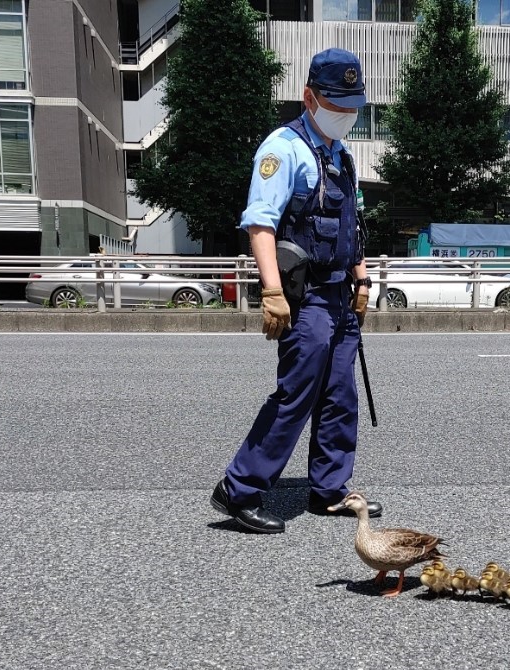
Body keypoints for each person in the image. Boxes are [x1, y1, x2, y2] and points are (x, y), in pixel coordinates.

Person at [209, 48, 383, 534]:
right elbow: (260, 225)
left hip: (340, 295)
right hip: (303, 298)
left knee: (339, 395)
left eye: (354, 106)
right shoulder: (281, 149)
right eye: (338, 104)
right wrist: (271, 293)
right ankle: (238, 490)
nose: (347, 115)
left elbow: (352, 226)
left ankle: (328, 489)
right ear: (310, 97)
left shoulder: (341, 155)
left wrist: (362, 277)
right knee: (296, 395)